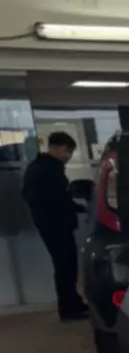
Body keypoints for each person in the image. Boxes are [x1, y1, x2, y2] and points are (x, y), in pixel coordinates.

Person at [22, 131, 86, 321]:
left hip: (52, 223)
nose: (68, 156)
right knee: (65, 265)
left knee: (67, 264)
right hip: (55, 224)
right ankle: (69, 309)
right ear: (54, 148)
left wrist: (75, 207)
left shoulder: (41, 167)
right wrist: (72, 208)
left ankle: (73, 303)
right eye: (66, 151)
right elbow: (55, 197)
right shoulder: (48, 168)